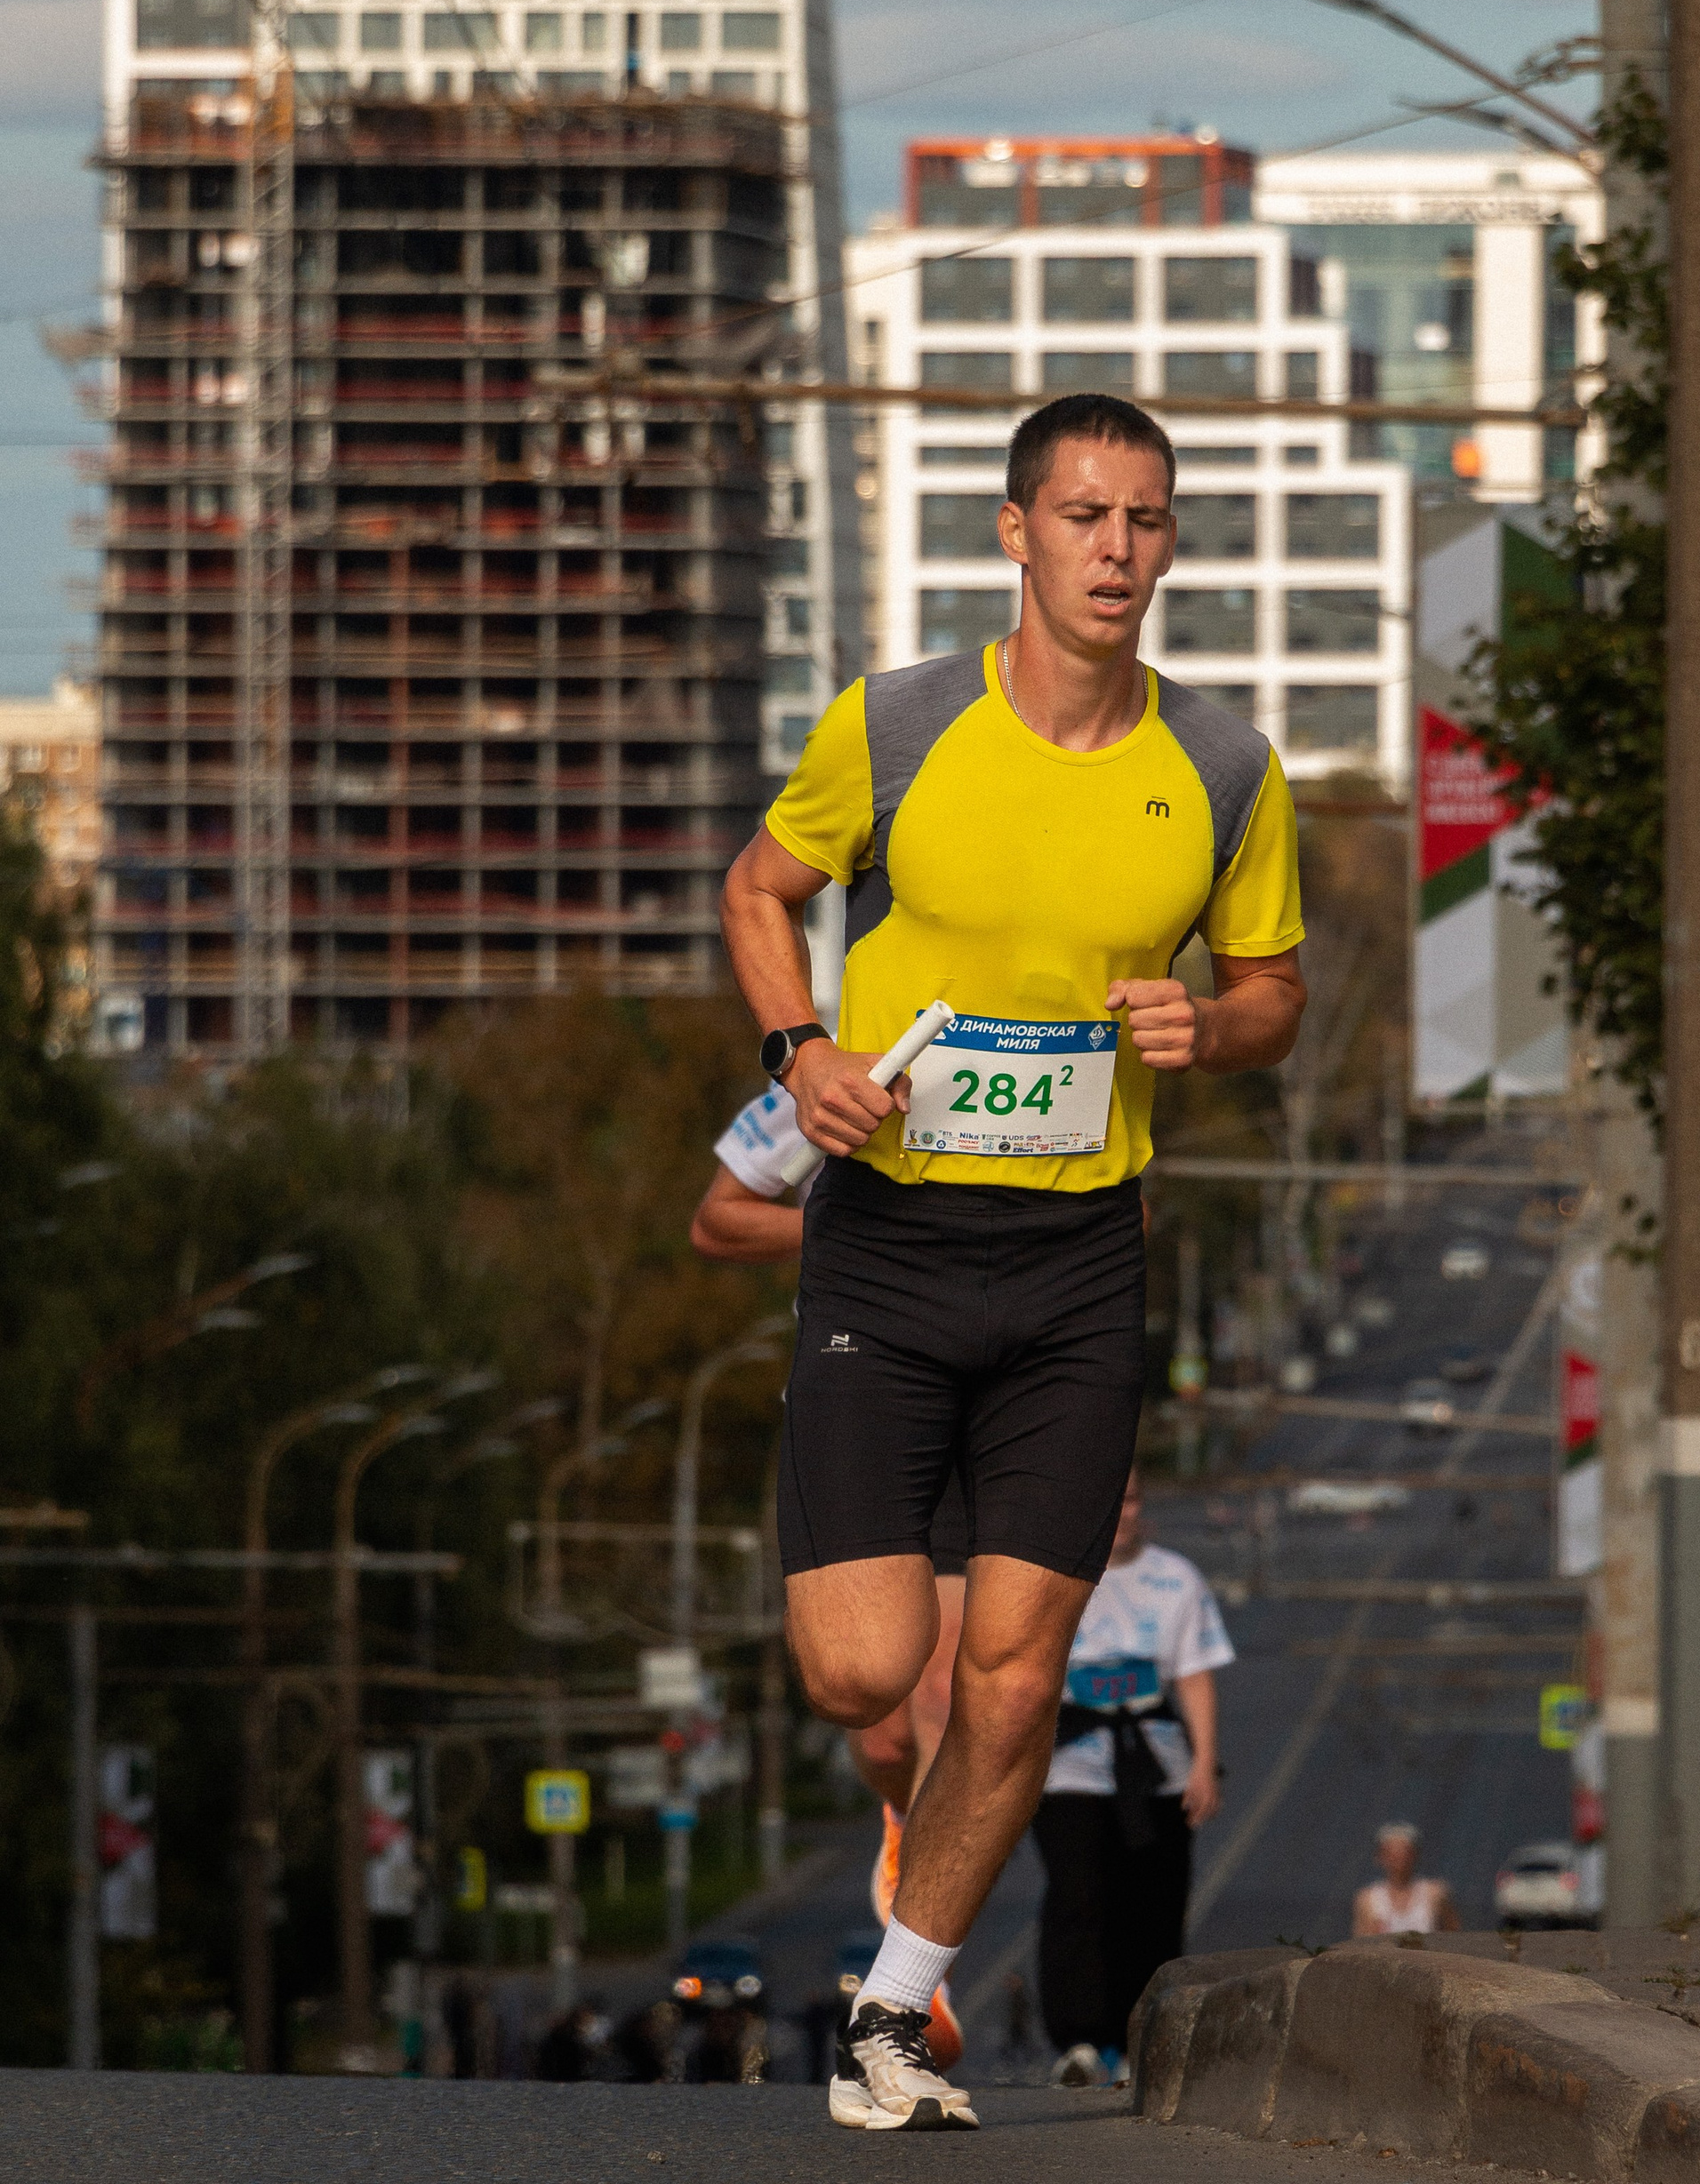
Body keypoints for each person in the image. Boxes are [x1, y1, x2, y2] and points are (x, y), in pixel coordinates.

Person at [718, 390, 1308, 2133]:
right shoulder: (896, 727)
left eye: (1143, 518)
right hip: (888, 1249)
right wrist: (796, 1049)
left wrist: (1214, 1020)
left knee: (1019, 1674)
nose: (1115, 548)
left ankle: (891, 2011)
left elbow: (1275, 989)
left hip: (1075, 1262)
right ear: (1015, 533)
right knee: (857, 1666)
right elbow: (759, 889)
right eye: (1082, 515)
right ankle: (897, 1939)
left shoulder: (1216, 767)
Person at [690, 1083, 968, 2069]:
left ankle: (915, 1976)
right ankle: (901, 1812)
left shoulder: (1042, 1029)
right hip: (862, 1391)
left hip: (992, 1396)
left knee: (948, 1688)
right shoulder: (830, 1072)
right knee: (878, 1708)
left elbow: (1127, 1205)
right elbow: (718, 1216)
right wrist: (848, 1230)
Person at [1034, 1466, 1230, 2088]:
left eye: (1133, 1502)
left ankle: (1143, 2034)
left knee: (1153, 1904)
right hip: (1071, 1768)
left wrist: (1203, 1764)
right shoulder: (1051, 1579)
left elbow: (1195, 1676)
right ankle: (1080, 2038)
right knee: (1080, 1895)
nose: (1122, 1515)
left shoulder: (1177, 1580)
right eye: (1109, 1503)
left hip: (1156, 1768)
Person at [1352, 1821, 1458, 1937]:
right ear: (1380, 1857)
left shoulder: (1435, 1893)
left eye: (1404, 1852)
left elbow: (1454, 1935)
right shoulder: (1367, 1899)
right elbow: (1359, 1943)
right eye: (1392, 1853)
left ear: (1415, 1855)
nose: (1398, 1859)